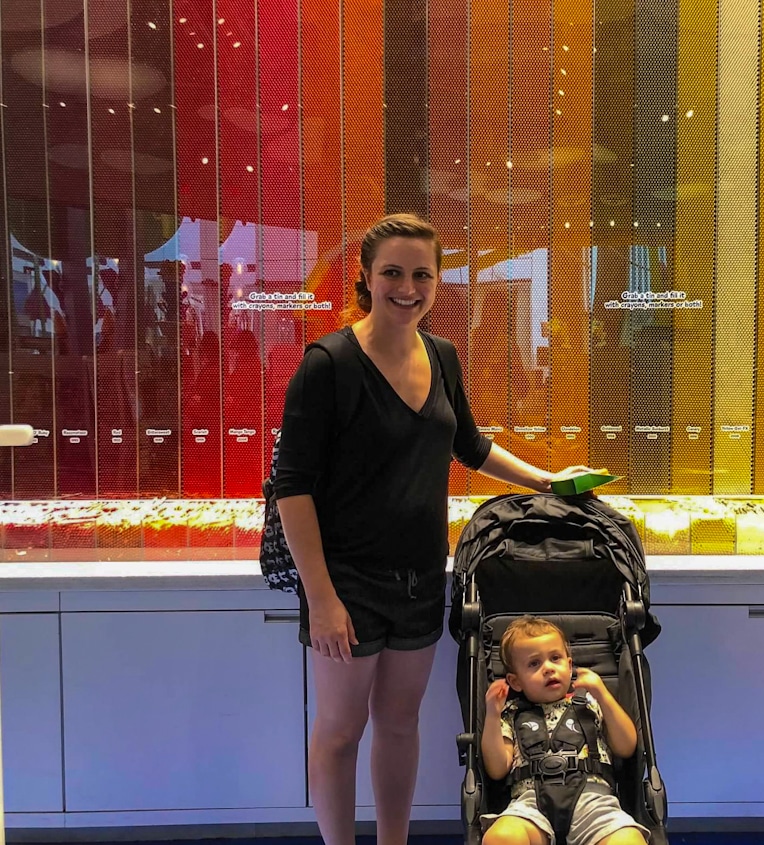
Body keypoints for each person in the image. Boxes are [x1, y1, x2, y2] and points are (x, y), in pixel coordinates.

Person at [272, 213, 593, 845]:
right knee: (339, 732)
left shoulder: (441, 355)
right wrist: (323, 599)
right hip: (346, 582)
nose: (407, 287)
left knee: (399, 722)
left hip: (421, 576)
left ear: (439, 279)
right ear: (366, 277)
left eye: (422, 274)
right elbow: (294, 487)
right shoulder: (327, 365)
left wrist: (548, 483)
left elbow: (469, 445)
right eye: (392, 272)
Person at [481, 616, 649, 845]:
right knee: (501, 837)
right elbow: (497, 769)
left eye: (555, 658)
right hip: (530, 803)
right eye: (534, 664)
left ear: (569, 665)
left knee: (628, 840)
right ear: (515, 681)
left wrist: (602, 694)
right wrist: (492, 713)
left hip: (594, 801)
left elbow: (627, 747)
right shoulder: (510, 713)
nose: (548, 668)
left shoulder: (591, 701)